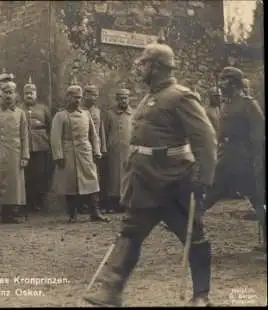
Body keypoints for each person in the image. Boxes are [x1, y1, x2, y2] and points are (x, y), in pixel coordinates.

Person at [82, 43, 217, 306]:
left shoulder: (180, 96)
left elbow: (206, 138)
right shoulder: (148, 97)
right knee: (131, 231)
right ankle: (111, 291)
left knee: (194, 236)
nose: (138, 67)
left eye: (143, 63)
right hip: (145, 182)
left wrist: (204, 179)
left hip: (175, 182)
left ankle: (201, 294)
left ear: (156, 67)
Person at [202, 67, 266, 253]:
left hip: (244, 160)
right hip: (226, 159)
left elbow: (258, 135)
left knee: (257, 199)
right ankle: (187, 227)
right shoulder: (227, 104)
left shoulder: (248, 105)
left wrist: (258, 161)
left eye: (223, 80)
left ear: (233, 82)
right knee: (210, 192)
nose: (220, 84)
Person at [50, 77, 109, 223]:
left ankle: (95, 212)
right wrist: (58, 155)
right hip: (68, 152)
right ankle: (72, 214)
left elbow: (94, 135)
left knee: (92, 181)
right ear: (68, 97)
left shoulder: (86, 114)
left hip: (85, 152)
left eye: (79, 98)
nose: (77, 101)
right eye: (75, 97)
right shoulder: (60, 116)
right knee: (70, 185)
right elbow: (55, 138)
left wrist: (97, 150)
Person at [0, 80, 29, 224]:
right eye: (5, 92)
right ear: (0, 94)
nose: (8, 95)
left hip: (15, 151)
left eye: (11, 92)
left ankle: (9, 214)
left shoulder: (20, 113)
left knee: (13, 184)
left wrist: (25, 156)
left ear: (15, 95)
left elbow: (24, 136)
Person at [20, 76, 52, 213]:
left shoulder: (43, 109)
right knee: (27, 175)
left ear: (36, 94)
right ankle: (26, 202)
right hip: (24, 146)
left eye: (31, 93)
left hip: (41, 145)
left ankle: (39, 201)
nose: (29, 95)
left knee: (40, 174)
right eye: (27, 93)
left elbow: (50, 127)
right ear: (23, 95)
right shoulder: (19, 108)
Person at [103, 88, 133, 213]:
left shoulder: (133, 114)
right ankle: (113, 203)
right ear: (116, 100)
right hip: (114, 150)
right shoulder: (110, 114)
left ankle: (126, 202)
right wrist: (104, 148)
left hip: (129, 150)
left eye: (125, 98)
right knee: (114, 177)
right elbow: (104, 132)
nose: (123, 101)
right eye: (121, 98)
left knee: (128, 176)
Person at [81, 83, 107, 214]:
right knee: (83, 177)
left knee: (95, 177)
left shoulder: (97, 111)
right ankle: (83, 205)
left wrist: (102, 148)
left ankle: (94, 206)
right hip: (82, 147)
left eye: (95, 95)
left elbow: (100, 131)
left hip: (95, 149)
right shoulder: (80, 110)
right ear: (85, 95)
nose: (93, 97)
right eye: (91, 94)